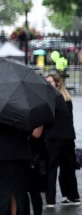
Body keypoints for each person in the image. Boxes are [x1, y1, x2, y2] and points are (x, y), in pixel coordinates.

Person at [44, 72, 79, 206]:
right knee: (68, 168)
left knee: (51, 169)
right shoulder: (66, 98)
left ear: (57, 83)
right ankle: (72, 196)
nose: (47, 84)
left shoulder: (50, 99)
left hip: (53, 138)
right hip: (68, 137)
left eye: (50, 82)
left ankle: (50, 199)